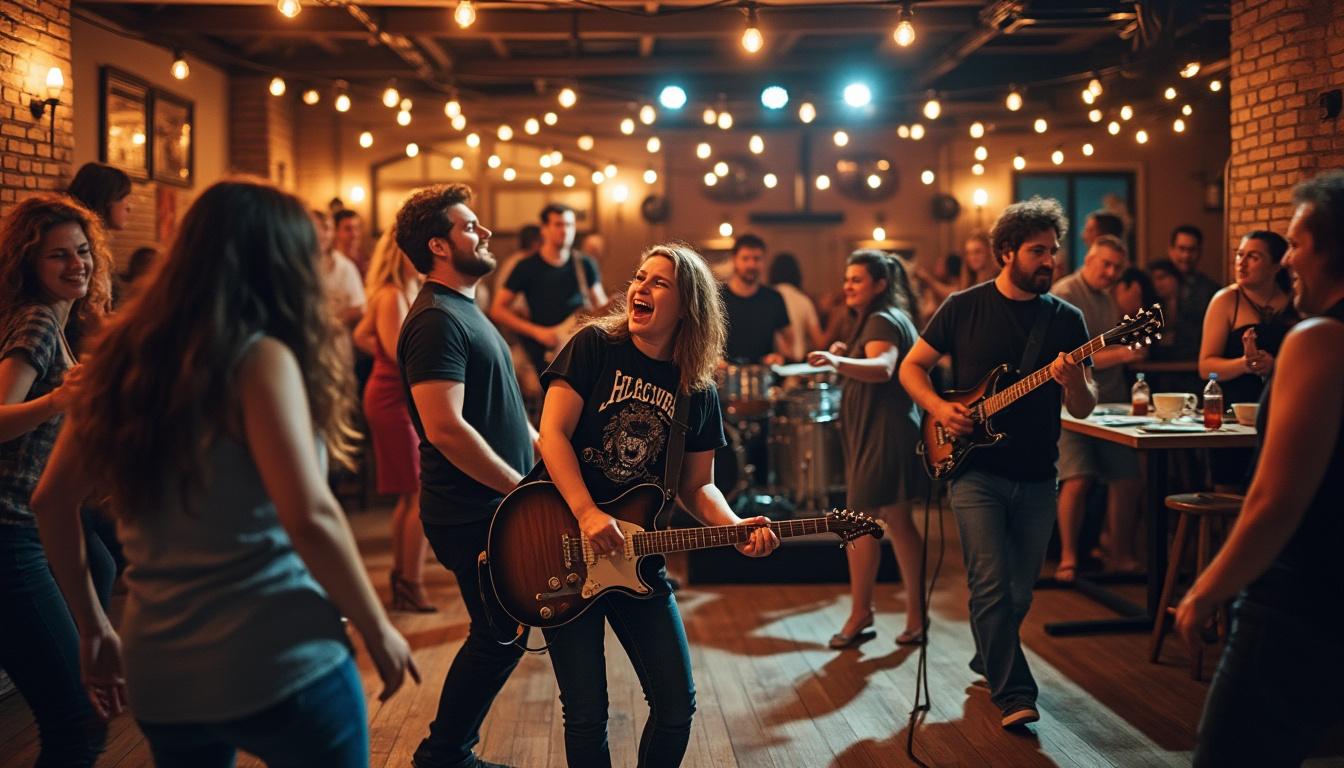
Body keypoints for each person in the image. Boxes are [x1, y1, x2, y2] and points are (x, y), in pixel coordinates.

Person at [31, 179, 418, 767]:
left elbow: (51, 501)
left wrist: (91, 627)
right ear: (276, 261)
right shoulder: (257, 357)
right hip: (275, 649)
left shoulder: (117, 358)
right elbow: (311, 516)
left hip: (160, 661)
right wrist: (377, 626)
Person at [537, 243, 779, 767]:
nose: (639, 289)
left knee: (675, 706)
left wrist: (735, 526)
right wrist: (586, 511)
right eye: (639, 278)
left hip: (639, 558)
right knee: (586, 712)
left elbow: (698, 486)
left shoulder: (696, 386)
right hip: (560, 540)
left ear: (688, 305)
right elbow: (551, 435)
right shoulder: (594, 347)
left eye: (658, 283)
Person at [899, 197, 1095, 730]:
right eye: (1038, 251)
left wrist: (1073, 379)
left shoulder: (1067, 319)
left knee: (1019, 589)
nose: (1049, 261)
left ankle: (989, 656)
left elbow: (1083, 405)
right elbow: (912, 369)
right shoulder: (964, 307)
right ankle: (1014, 693)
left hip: (1038, 472)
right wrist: (940, 407)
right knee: (989, 582)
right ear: (1006, 251)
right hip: (974, 472)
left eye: (1053, 251)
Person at [1176, 172, 1344, 767]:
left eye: (1296, 244)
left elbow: (1275, 500)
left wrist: (1207, 589)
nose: (1288, 258)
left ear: (1330, 249)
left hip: (1299, 596)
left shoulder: (1319, 339)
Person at [395, 184, 535, 768]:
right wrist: (520, 489)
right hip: (470, 510)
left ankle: (446, 750)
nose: (484, 233)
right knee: (499, 633)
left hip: (498, 503)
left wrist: (547, 459)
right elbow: (445, 428)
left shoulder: (463, 309)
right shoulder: (433, 320)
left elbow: (504, 410)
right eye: (471, 226)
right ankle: (443, 752)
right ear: (439, 245)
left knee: (505, 631)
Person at [0, 194, 113, 767]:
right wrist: (56, 400)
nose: (78, 264)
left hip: (30, 524)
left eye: (83, 250)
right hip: (8, 532)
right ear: (29, 264)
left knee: (103, 560)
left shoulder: (63, 320)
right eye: (57, 256)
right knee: (78, 722)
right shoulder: (39, 320)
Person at [806, 251, 926, 648]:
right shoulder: (881, 318)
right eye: (847, 278)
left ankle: (861, 613)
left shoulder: (881, 319)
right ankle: (915, 618)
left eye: (857, 280)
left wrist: (837, 359)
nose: (848, 286)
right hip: (885, 431)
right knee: (901, 524)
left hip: (883, 435)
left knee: (857, 523)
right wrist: (847, 353)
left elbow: (884, 368)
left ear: (880, 284)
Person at [1050, 236, 1144, 580]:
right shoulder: (1065, 294)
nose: (1111, 272)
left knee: (1128, 477)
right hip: (1068, 405)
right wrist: (1122, 354)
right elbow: (1067, 360)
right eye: (1105, 264)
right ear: (1088, 260)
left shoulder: (1107, 298)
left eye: (1117, 267)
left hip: (1109, 403)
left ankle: (1120, 554)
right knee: (1078, 477)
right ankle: (1068, 558)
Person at [353, 229, 433, 612]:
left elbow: (361, 335)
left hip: (391, 395)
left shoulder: (398, 294)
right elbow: (397, 353)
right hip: (392, 399)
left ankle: (404, 579)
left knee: (409, 494)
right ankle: (410, 583)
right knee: (418, 493)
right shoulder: (390, 295)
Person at [1198, 231, 1298, 488]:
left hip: (1284, 411)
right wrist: (1245, 363)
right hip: (1233, 414)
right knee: (1231, 488)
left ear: (1277, 265)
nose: (1241, 263)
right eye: (1240, 255)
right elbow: (1206, 366)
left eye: (1253, 256)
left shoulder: (1296, 301)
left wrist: (1275, 365)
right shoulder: (1226, 300)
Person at [490, 203, 608, 374]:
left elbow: (600, 303)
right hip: (543, 351)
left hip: (578, 347)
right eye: (558, 224)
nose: (565, 230)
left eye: (570, 225)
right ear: (544, 229)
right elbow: (497, 309)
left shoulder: (585, 264)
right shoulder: (526, 266)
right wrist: (537, 332)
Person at [720, 234, 793, 364]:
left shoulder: (773, 297)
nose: (751, 265)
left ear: (764, 262)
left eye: (757, 259)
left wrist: (780, 356)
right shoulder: (718, 296)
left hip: (763, 375)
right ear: (734, 260)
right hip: (724, 375)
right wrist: (713, 359)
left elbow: (789, 338)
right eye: (745, 258)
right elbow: (701, 336)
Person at [1167, 225, 1220, 362]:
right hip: (1153, 368)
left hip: (1194, 366)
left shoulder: (1212, 290)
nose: (1186, 256)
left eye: (1192, 250)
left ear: (1200, 252)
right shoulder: (1152, 283)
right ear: (1171, 250)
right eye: (1181, 249)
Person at [769, 251, 824, 361]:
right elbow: (819, 343)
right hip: (796, 363)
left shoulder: (767, 297)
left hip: (773, 361)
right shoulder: (803, 300)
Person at [916, 232, 995, 307]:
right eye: (968, 253)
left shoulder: (995, 281)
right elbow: (953, 294)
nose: (972, 257)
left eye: (977, 252)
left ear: (989, 252)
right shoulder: (968, 282)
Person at [67, 162, 132, 232]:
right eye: (123, 197)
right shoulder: (74, 236)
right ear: (107, 198)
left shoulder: (87, 235)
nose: (128, 208)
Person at [333, 208, 367, 275]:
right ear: (336, 232)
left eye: (357, 228)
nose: (354, 234)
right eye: (348, 229)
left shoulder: (367, 264)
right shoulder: (331, 264)